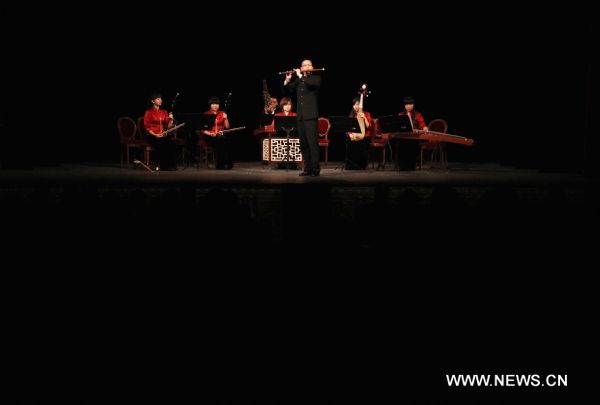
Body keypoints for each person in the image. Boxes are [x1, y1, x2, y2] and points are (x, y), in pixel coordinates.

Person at [283, 59, 322, 176]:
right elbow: (287, 90)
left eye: (309, 65)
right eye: (304, 65)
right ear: (301, 67)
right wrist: (287, 80)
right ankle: (307, 168)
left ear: (312, 67)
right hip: (300, 116)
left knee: (312, 144)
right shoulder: (298, 81)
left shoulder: (316, 79)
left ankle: (315, 169)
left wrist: (300, 76)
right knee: (303, 144)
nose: (307, 67)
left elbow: (310, 85)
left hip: (311, 115)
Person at [143, 92, 177, 170]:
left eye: (161, 98)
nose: (160, 100)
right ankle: (164, 166)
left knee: (172, 143)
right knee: (163, 143)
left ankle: (172, 165)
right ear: (153, 101)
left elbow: (167, 126)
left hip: (162, 135)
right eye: (158, 99)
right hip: (152, 136)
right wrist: (155, 135)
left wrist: (171, 119)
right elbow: (147, 127)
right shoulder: (148, 112)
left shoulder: (164, 112)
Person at [395, 96, 428, 171]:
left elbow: (422, 124)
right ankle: (402, 166)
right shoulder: (400, 114)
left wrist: (424, 128)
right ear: (404, 105)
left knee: (413, 147)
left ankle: (411, 166)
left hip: (414, 138)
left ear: (413, 105)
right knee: (401, 146)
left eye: (410, 104)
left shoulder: (417, 114)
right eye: (406, 105)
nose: (408, 106)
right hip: (403, 137)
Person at [201, 96, 233, 170]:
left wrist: (226, 118)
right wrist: (210, 134)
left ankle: (226, 163)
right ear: (210, 105)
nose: (215, 106)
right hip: (209, 136)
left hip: (220, 136)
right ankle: (222, 164)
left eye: (217, 104)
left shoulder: (222, 113)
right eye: (213, 104)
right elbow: (202, 129)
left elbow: (227, 127)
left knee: (225, 141)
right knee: (221, 141)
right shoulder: (206, 114)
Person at [345, 96, 372, 169]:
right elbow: (349, 128)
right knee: (349, 141)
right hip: (354, 136)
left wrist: (364, 118)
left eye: (358, 104)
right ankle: (351, 165)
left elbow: (368, 127)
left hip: (365, 136)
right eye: (356, 104)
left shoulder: (366, 113)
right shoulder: (351, 115)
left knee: (361, 142)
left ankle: (361, 165)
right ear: (353, 106)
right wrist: (351, 135)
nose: (357, 106)